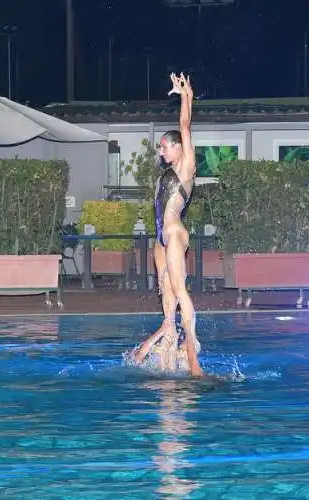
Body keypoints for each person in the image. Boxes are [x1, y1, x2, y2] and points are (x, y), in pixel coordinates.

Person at [132, 73, 203, 377]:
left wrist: (186, 96)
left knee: (179, 289)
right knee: (165, 292)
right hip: (160, 237)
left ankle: (193, 357)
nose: (160, 151)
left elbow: (185, 126)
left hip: (174, 232)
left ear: (177, 148)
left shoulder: (186, 166)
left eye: (164, 146)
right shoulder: (166, 173)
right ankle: (168, 341)